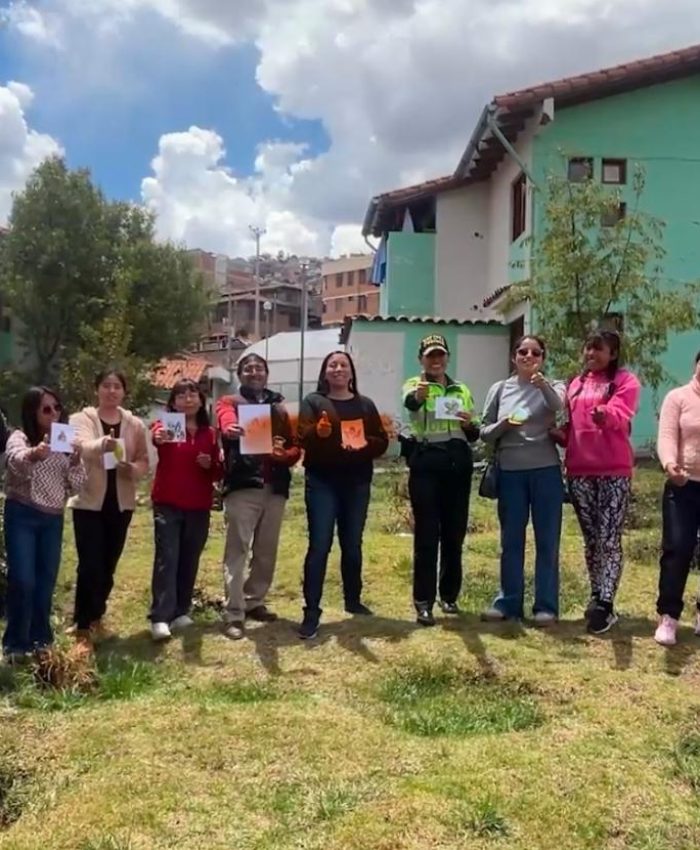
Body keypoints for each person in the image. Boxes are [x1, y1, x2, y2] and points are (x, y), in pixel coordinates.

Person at [297, 351, 388, 639]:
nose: (338, 369)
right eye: (332, 365)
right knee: (320, 544)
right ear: (325, 372)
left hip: (356, 483)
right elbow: (302, 436)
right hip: (322, 481)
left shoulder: (365, 404)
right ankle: (311, 610)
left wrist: (363, 445)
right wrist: (319, 433)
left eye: (343, 365)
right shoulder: (313, 402)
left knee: (352, 544)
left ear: (351, 373)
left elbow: (381, 442)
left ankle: (353, 599)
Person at [559, 330, 640, 635]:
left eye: (598, 350)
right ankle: (596, 593)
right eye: (588, 349)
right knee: (592, 540)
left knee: (609, 538)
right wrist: (558, 435)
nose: (591, 354)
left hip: (614, 471)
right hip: (579, 471)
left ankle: (606, 603)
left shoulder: (625, 382)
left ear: (613, 354)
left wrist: (605, 414)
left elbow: (621, 413)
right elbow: (571, 427)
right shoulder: (575, 385)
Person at [480, 336, 565, 624]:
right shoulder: (500, 388)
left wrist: (540, 382)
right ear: (513, 356)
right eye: (523, 351)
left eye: (536, 352)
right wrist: (505, 425)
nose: (529, 356)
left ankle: (546, 606)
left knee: (547, 541)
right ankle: (508, 603)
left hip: (546, 471)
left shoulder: (553, 386)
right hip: (511, 473)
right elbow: (484, 431)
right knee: (511, 540)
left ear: (543, 357)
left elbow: (557, 407)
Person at [216, 354, 299, 641]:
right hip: (243, 486)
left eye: (259, 368)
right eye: (248, 369)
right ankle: (234, 613)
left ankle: (254, 602)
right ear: (240, 374)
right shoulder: (230, 404)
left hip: (275, 487)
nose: (254, 372)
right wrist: (230, 429)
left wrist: (285, 455)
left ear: (266, 373)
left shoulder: (278, 406)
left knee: (266, 551)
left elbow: (293, 445)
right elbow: (225, 421)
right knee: (237, 550)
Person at [3, 387, 86, 660]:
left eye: (57, 408)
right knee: (23, 580)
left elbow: (77, 486)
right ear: (32, 412)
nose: (53, 414)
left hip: (52, 518)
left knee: (45, 582)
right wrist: (34, 454)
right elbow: (14, 461)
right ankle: (15, 643)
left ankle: (40, 640)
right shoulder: (21, 437)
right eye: (46, 409)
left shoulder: (65, 441)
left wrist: (75, 460)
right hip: (22, 515)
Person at [402, 334, 479, 626]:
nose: (436, 360)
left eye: (440, 355)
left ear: (447, 358)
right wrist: (419, 397)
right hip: (427, 461)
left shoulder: (461, 389)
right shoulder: (415, 385)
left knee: (454, 533)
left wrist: (469, 423)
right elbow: (410, 403)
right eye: (430, 355)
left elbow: (474, 431)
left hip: (457, 462)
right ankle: (423, 602)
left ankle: (449, 595)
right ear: (421, 359)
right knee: (426, 534)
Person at [68, 369, 149, 644]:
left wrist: (133, 469)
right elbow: (79, 444)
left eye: (117, 386)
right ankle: (81, 623)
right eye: (106, 385)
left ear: (124, 392)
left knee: (108, 564)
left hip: (121, 503)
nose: (111, 391)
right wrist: (102, 444)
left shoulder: (135, 424)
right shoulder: (82, 418)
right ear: (97, 389)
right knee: (89, 564)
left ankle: (96, 617)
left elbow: (143, 460)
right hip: (89, 502)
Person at [149, 379, 221, 641]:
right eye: (181, 395)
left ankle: (181, 611)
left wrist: (209, 463)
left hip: (198, 505)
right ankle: (160, 617)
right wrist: (157, 437)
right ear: (173, 402)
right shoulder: (167, 425)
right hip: (168, 503)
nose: (188, 399)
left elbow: (217, 471)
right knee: (167, 557)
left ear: (201, 400)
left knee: (190, 557)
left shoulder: (210, 434)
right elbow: (156, 437)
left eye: (193, 394)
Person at [653, 352, 700, 646]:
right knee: (678, 548)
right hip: (682, 485)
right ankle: (668, 616)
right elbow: (667, 435)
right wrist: (670, 464)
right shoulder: (678, 397)